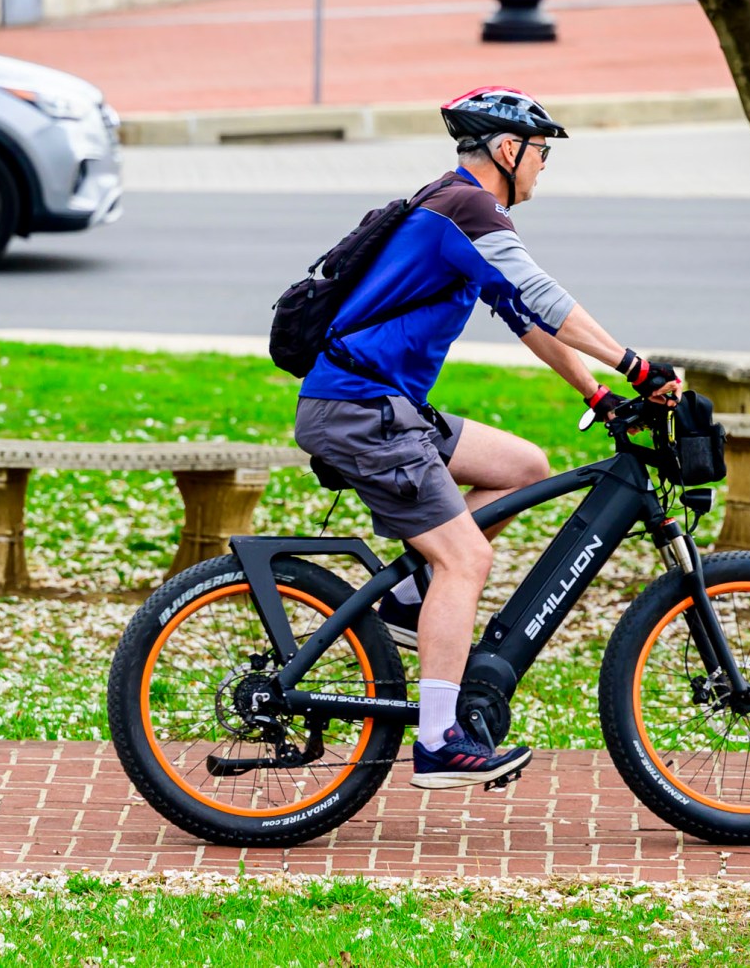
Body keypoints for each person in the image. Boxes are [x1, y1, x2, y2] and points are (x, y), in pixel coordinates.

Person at [292, 86, 682, 790]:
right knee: (466, 558)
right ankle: (439, 740)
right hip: (360, 408)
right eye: (540, 154)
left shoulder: (456, 205)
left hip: (382, 405)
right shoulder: (469, 207)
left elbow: (523, 315)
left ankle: (411, 601)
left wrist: (596, 392)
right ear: (509, 149)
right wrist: (635, 365)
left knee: (524, 465)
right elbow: (546, 296)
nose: (542, 168)